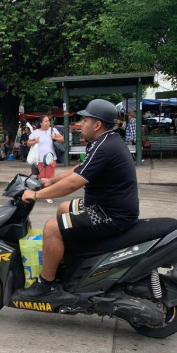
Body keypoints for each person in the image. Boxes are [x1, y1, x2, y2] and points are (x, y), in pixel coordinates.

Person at [16, 99, 139, 302]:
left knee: (52, 227)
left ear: (97, 124)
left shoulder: (104, 146)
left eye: (85, 120)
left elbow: (73, 183)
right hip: (105, 206)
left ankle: (46, 286)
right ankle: (70, 264)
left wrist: (36, 195)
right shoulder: (105, 141)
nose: (81, 124)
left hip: (109, 214)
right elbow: (80, 169)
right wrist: (51, 181)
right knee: (63, 209)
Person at [28, 115, 64, 204]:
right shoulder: (36, 132)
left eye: (48, 121)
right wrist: (35, 141)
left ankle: (48, 195)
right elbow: (28, 143)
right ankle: (41, 194)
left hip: (51, 158)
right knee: (41, 177)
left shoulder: (53, 130)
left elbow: (62, 139)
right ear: (41, 123)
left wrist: (55, 137)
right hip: (40, 158)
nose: (48, 123)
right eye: (46, 121)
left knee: (50, 177)